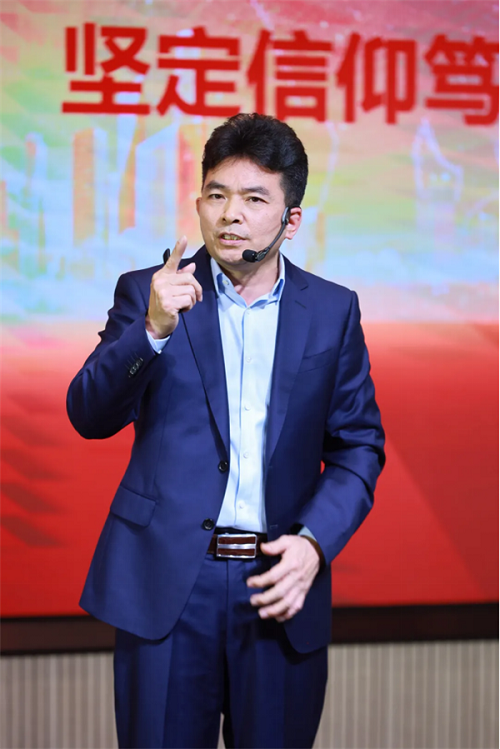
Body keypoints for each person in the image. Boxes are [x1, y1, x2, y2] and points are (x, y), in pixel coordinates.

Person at [67, 113, 385, 749]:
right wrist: (151, 330)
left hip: (277, 582)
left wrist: (314, 544)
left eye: (254, 199)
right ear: (199, 203)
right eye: (217, 194)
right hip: (166, 585)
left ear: (291, 220)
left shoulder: (331, 311)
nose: (230, 214)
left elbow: (358, 447)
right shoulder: (150, 293)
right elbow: (89, 414)